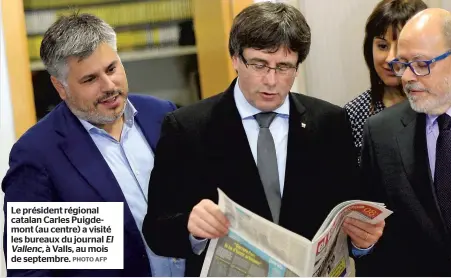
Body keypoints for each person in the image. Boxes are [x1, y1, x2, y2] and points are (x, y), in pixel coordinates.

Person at [142, 2, 385, 276]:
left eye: (284, 67)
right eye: (259, 64)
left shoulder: (330, 122)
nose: (271, 80)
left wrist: (362, 242)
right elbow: (156, 230)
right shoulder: (186, 128)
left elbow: (349, 214)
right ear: (235, 57)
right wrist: (192, 227)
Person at [2, 13, 184, 276]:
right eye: (90, 79)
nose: (109, 86)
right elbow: (30, 273)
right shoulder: (37, 154)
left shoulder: (162, 115)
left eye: (112, 69)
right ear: (60, 87)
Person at [359, 8, 451, 276]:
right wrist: (362, 244)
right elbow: (374, 236)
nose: (406, 77)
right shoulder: (382, 132)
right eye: (401, 64)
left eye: (420, 64)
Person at [345, 0, 427, 163]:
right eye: (382, 46)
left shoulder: (437, 105)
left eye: (401, 46)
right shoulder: (353, 115)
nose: (391, 58)